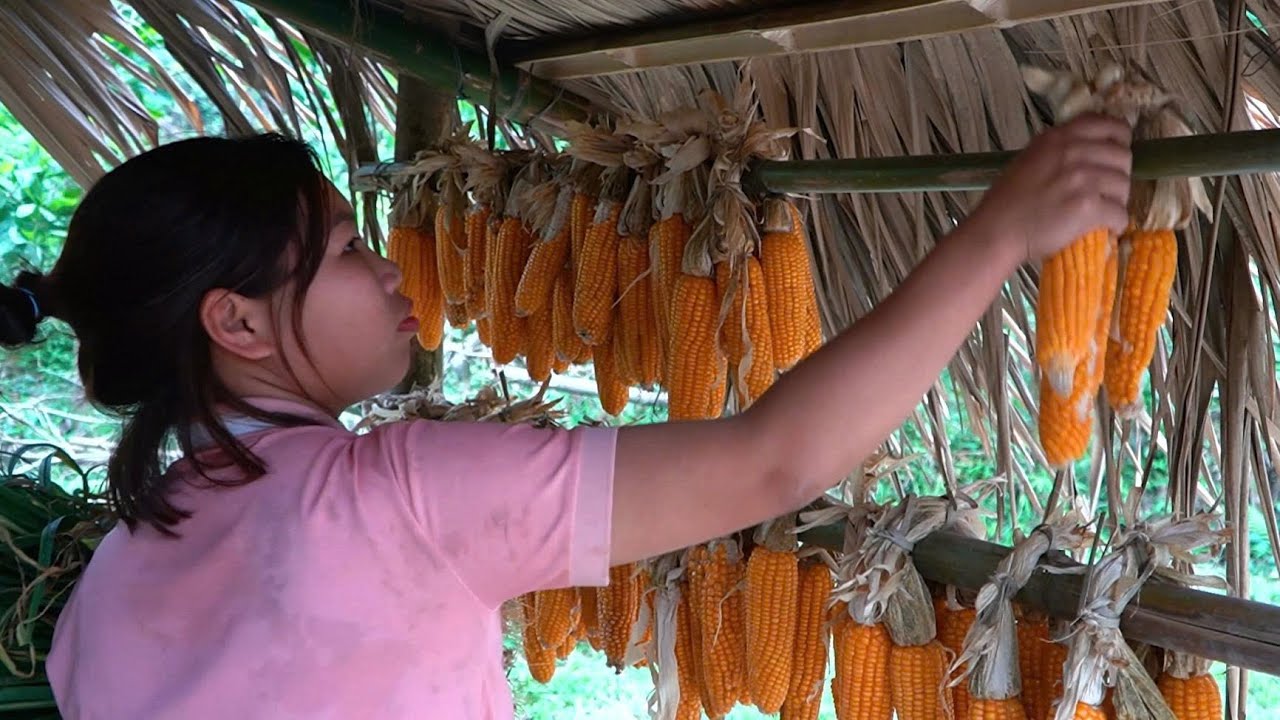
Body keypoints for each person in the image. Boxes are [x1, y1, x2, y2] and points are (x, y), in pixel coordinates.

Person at [0, 113, 1132, 719]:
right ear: (237, 323)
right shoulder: (393, 495)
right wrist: (995, 237)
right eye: (347, 250)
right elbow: (771, 462)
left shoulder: (118, 574)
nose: (393, 269)